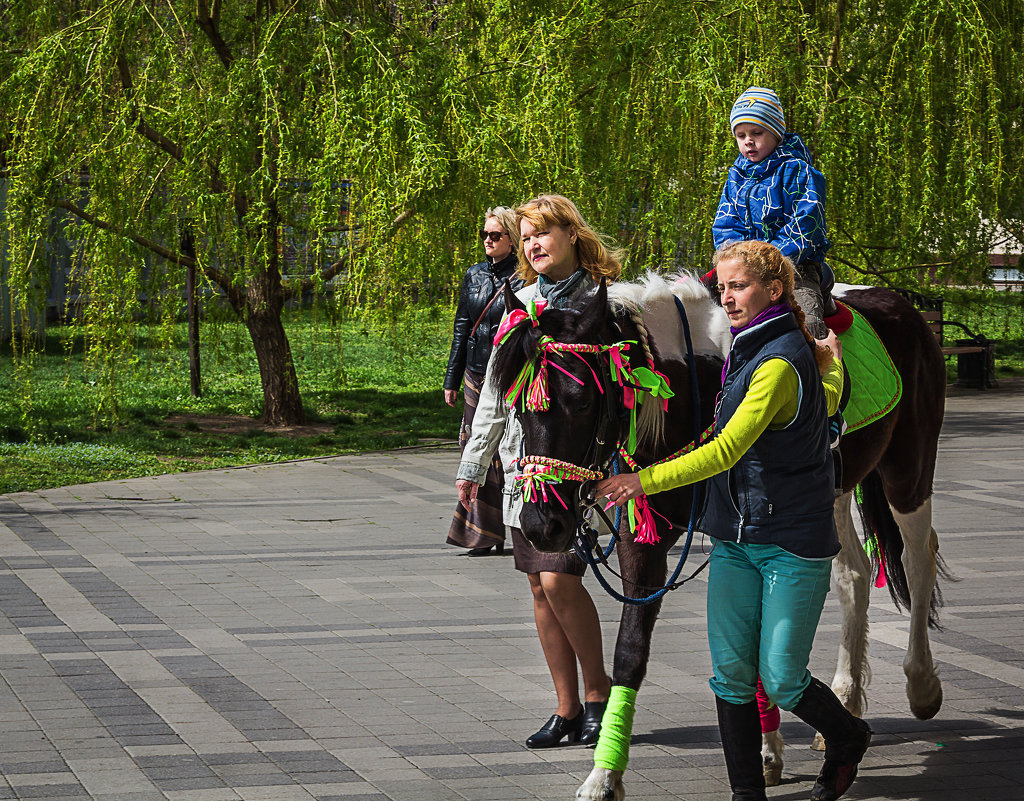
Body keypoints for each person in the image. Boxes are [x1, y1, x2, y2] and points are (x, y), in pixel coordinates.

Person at [596, 240, 871, 801]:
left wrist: (640, 481)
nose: (727, 297)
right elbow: (824, 396)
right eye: (721, 287)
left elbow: (726, 449)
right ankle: (747, 793)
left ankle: (849, 737)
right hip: (735, 541)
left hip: (792, 543)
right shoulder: (746, 350)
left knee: (783, 678)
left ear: (775, 290)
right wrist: (834, 368)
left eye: (738, 285)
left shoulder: (775, 361)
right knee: (730, 676)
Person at [455, 194, 616, 748]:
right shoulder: (520, 303)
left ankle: (600, 693)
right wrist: (474, 465)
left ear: (572, 234)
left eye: (542, 233)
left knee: (558, 577)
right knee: (538, 587)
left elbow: (626, 396)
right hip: (523, 466)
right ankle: (567, 708)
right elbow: (496, 395)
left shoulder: (607, 303)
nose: (532, 245)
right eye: (525, 237)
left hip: (576, 468)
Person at [712, 86, 834, 338]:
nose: (748, 140)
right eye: (740, 134)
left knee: (806, 322)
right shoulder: (735, 178)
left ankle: (822, 371)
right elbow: (726, 225)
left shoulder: (798, 171)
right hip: (744, 272)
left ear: (776, 133)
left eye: (757, 132)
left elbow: (805, 226)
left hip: (795, 270)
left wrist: (767, 262)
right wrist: (737, 260)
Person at [443, 207, 523, 556]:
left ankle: (514, 524)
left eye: (495, 235)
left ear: (511, 238)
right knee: (475, 449)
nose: (488, 241)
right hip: (477, 373)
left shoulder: (524, 277)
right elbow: (462, 327)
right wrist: (452, 378)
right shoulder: (474, 274)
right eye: (484, 235)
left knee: (504, 448)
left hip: (509, 372)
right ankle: (480, 533)